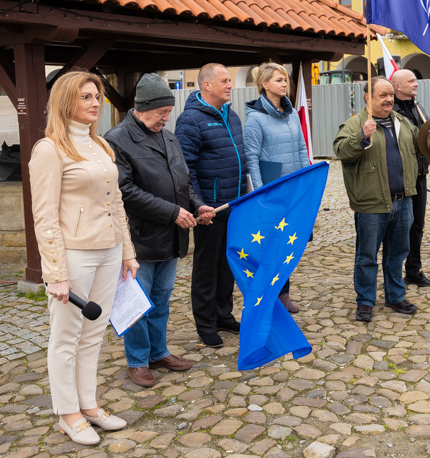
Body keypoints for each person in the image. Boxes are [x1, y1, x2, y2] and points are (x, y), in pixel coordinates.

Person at [29, 70, 139, 446]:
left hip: (109, 252)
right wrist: (55, 273)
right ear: (66, 102)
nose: (95, 103)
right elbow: (44, 217)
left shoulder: (102, 146)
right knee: (66, 337)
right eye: (86, 97)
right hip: (74, 255)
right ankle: (67, 413)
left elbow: (117, 203)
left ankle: (89, 404)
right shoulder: (49, 149)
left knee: (93, 334)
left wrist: (127, 251)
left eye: (97, 97)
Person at [104, 73, 216, 387]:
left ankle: (159, 351)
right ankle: (137, 359)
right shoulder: (116, 140)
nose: (166, 118)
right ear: (141, 108)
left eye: (168, 112)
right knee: (138, 302)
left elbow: (184, 182)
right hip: (139, 239)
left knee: (162, 299)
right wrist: (172, 213)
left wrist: (197, 206)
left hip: (171, 236)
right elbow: (125, 191)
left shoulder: (168, 137)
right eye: (160, 113)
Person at [333, 76, 419, 322]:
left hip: (403, 201)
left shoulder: (402, 122)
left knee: (398, 252)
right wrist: (361, 136)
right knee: (367, 255)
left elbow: (422, 144)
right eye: (382, 95)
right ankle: (365, 301)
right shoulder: (356, 123)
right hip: (371, 203)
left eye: (391, 95)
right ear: (367, 97)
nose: (389, 99)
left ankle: (395, 296)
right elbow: (340, 151)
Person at [175, 63, 249, 347]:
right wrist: (198, 205)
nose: (230, 85)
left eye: (230, 80)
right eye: (224, 81)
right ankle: (205, 323)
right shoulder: (191, 120)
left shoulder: (231, 116)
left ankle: (223, 314)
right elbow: (186, 169)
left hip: (234, 205)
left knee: (226, 265)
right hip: (209, 209)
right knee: (206, 268)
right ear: (206, 85)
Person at [244, 63, 311, 313]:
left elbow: (302, 148)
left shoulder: (292, 114)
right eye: (279, 80)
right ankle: (272, 294)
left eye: (286, 80)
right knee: (271, 246)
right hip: (272, 193)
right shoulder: (255, 119)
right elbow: (251, 159)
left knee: (287, 244)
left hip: (293, 190)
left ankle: (284, 292)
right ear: (264, 85)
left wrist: (306, 180)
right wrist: (261, 196)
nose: (285, 84)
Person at [391, 69, 430, 288]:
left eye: (416, 80)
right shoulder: (391, 111)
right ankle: (393, 273)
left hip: (420, 174)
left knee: (417, 225)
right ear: (397, 86)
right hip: (400, 177)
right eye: (411, 81)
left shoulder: (418, 107)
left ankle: (413, 270)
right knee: (399, 228)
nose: (416, 84)